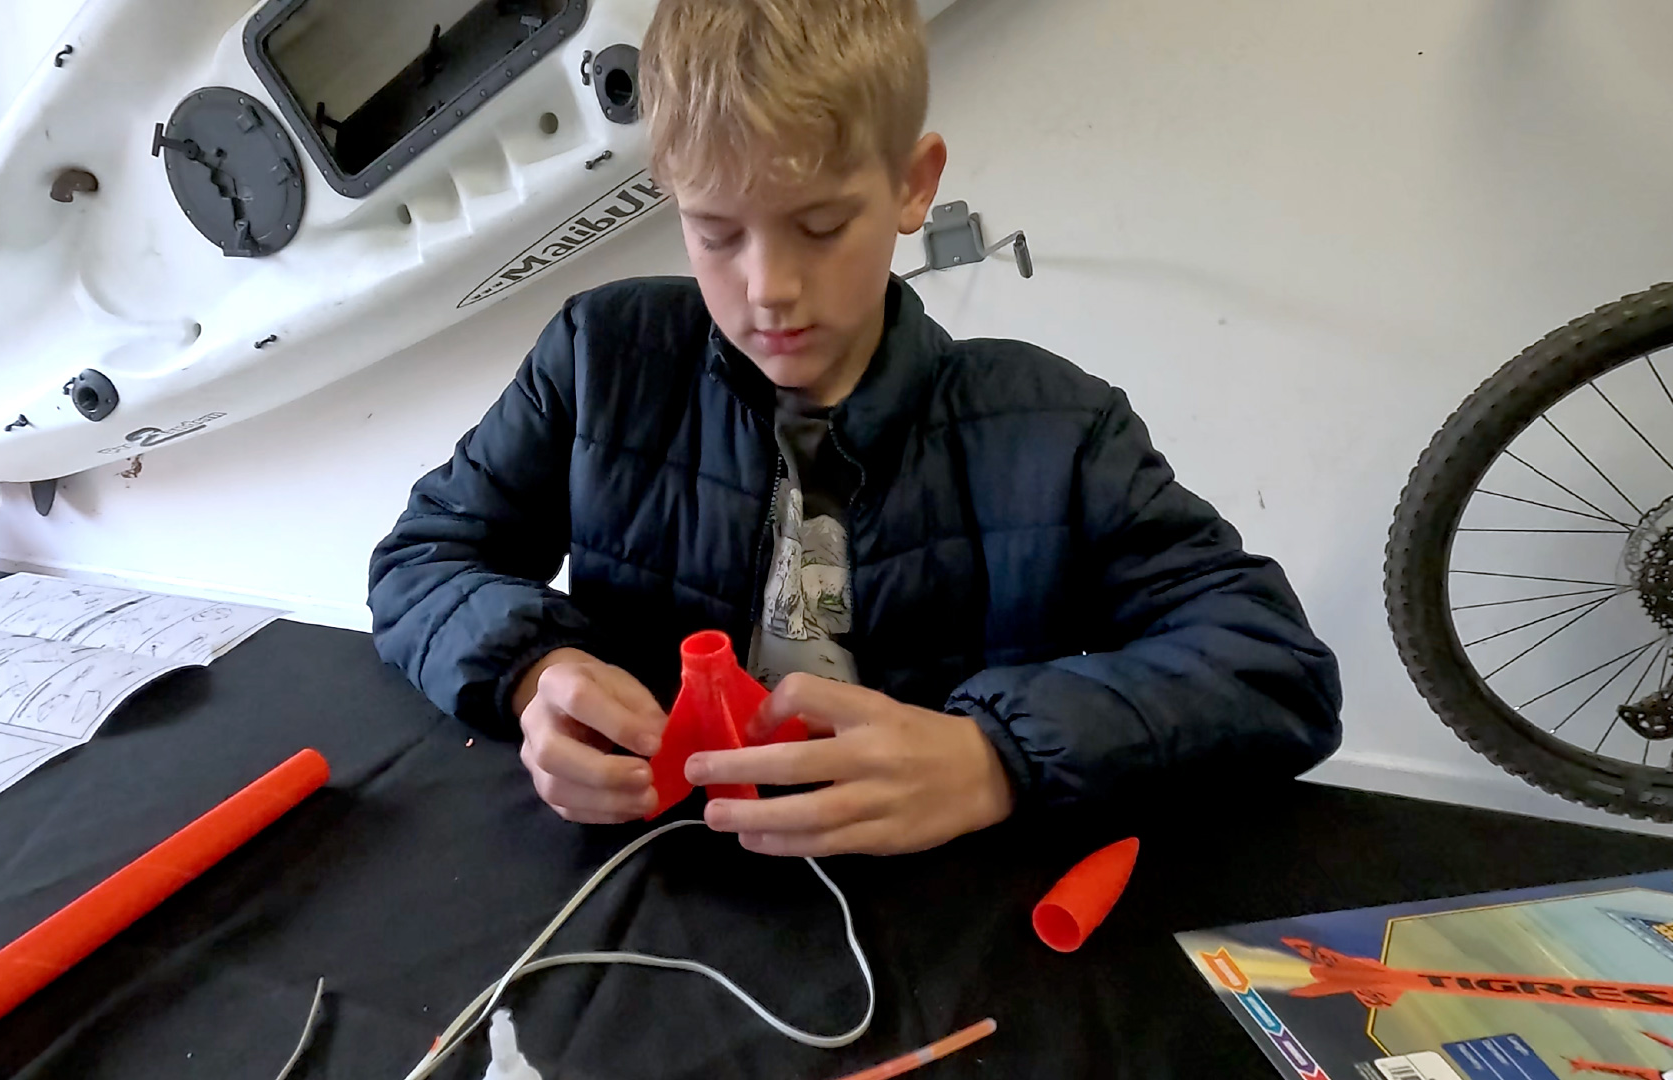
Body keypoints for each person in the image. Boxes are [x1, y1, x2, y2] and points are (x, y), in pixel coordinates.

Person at [368, 0, 1341, 857]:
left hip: (931, 914)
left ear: (914, 185)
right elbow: (424, 558)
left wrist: (995, 754)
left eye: (822, 225)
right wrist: (534, 672)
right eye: (715, 232)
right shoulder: (601, 358)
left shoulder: (1055, 431)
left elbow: (1274, 669)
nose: (769, 289)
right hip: (656, 867)